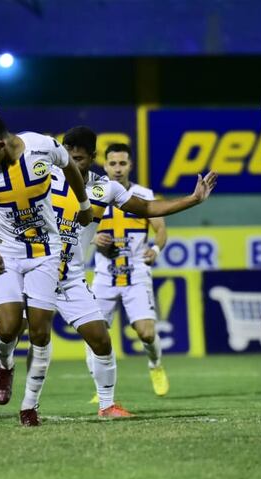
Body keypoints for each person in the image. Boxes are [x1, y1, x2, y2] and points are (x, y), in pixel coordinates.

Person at [0, 125, 133, 424]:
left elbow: (142, 207)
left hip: (56, 266)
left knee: (53, 335)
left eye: (80, 157)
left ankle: (35, 407)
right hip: (11, 252)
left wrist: (84, 206)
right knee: (7, 329)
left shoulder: (54, 159)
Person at [90, 143, 170, 397]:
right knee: (95, 335)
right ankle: (101, 389)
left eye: (122, 163)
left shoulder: (144, 195)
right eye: (112, 163)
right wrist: (94, 239)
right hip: (104, 275)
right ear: (104, 165)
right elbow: (77, 226)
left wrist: (155, 250)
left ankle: (155, 364)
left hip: (135, 272)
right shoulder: (94, 193)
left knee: (146, 333)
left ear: (130, 165)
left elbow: (161, 230)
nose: (117, 168)